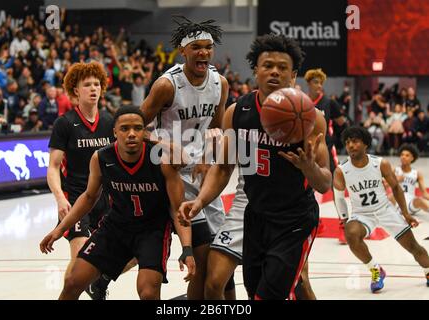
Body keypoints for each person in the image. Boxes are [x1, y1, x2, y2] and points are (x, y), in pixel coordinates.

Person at [178, 34, 332, 300]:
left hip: (293, 219)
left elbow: (325, 183)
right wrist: (200, 201)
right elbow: (224, 168)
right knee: (252, 291)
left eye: (282, 67)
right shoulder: (237, 113)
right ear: (255, 70)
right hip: (254, 215)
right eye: (267, 65)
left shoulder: (310, 118)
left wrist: (309, 167)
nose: (274, 71)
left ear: (293, 75)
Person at [40, 106, 195, 299]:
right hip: (116, 227)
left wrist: (187, 248)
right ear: (114, 132)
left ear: (144, 132)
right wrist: (59, 229)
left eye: (137, 128)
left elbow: (177, 209)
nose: (131, 134)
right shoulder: (101, 157)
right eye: (124, 129)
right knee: (73, 282)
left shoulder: (161, 159)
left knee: (148, 292)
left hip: (152, 230)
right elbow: (89, 198)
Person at [140, 16, 229, 299]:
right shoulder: (167, 85)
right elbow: (132, 126)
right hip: (173, 175)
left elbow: (217, 127)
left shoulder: (220, 83)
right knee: (201, 261)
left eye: (208, 47)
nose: (203, 52)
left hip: (205, 176)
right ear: (183, 50)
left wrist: (213, 148)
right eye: (197, 48)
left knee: (221, 261)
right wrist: (165, 144)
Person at [47, 61, 128, 300]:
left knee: (127, 253)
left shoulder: (109, 121)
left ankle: (98, 282)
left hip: (106, 200)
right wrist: (60, 199)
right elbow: (52, 168)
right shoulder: (64, 123)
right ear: (75, 90)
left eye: (97, 84)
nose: (93, 88)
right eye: (87, 85)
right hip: (76, 200)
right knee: (79, 262)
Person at [333, 126, 429, 292]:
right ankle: (375, 270)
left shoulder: (380, 163)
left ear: (365, 144)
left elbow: (396, 188)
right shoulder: (342, 170)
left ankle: (428, 271)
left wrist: (405, 213)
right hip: (362, 214)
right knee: (351, 233)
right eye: (347, 142)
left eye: (355, 141)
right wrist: (344, 218)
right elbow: (339, 197)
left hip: (386, 210)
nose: (350, 145)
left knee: (414, 247)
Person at [304, 68, 348, 244]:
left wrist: (341, 140)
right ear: (308, 83)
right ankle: (316, 222)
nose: (319, 85)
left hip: (327, 149)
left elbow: (342, 124)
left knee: (336, 186)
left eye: (321, 82)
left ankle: (343, 225)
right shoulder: (302, 102)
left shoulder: (330, 103)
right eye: (316, 82)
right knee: (307, 188)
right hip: (308, 149)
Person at [388, 143, 429, 214]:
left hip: (410, 204)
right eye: (402, 155)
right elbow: (384, 186)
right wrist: (396, 180)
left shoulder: (417, 173)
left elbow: (424, 193)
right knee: (391, 196)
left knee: (419, 200)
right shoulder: (395, 170)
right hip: (397, 203)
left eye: (407, 155)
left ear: (412, 158)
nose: (403, 157)